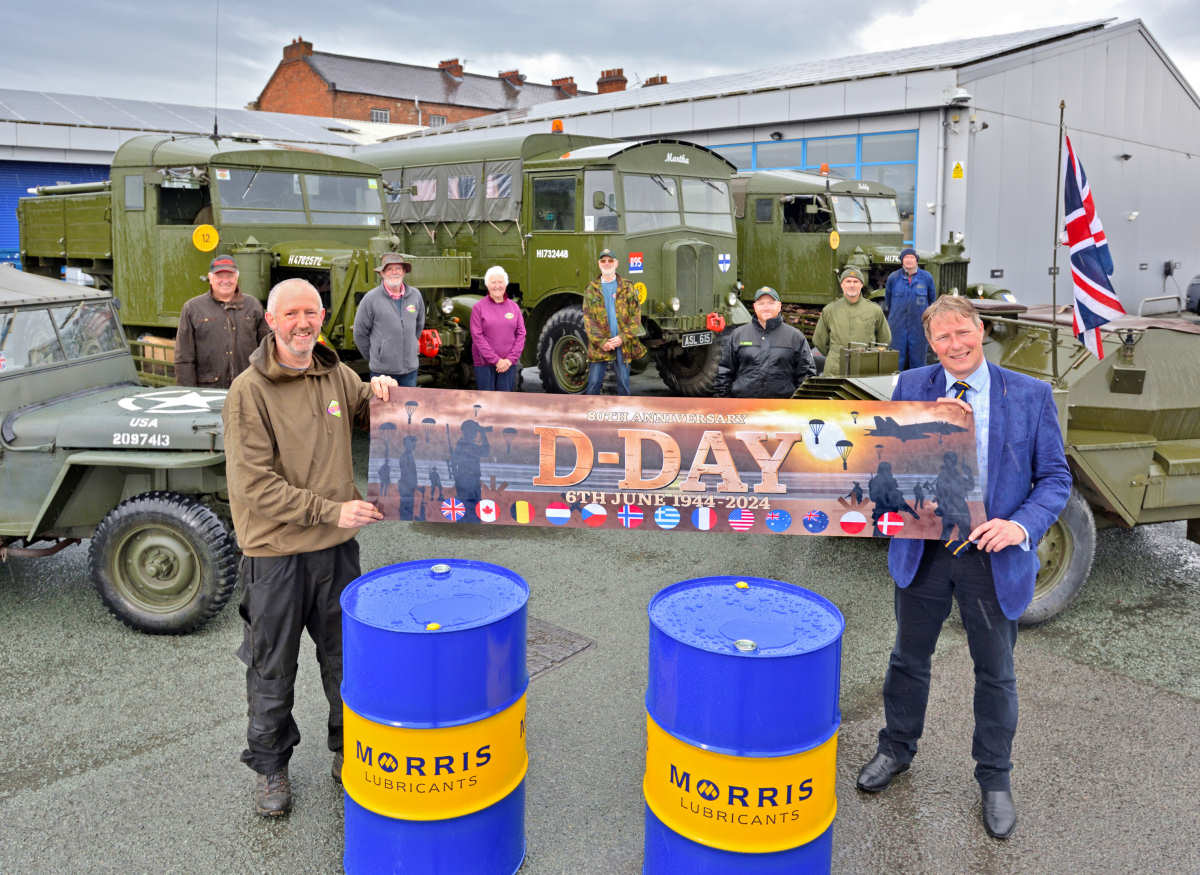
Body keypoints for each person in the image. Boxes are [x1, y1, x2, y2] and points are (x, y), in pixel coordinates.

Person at [855, 295, 1071, 841]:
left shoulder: (1030, 395)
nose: (955, 345)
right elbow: (884, 456)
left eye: (963, 333)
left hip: (991, 558)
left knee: (995, 673)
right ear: (931, 344)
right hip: (924, 552)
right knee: (908, 658)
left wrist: (1019, 526)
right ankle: (896, 749)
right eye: (943, 338)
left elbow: (1055, 479)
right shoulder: (911, 386)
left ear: (982, 331)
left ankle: (995, 779)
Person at [223, 278, 396, 818]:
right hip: (274, 553)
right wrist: (331, 511)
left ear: (322, 317)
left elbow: (367, 406)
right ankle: (271, 764)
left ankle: (350, 750)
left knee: (345, 660)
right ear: (271, 322)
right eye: (291, 314)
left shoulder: (334, 373)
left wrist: (382, 389)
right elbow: (254, 485)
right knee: (272, 665)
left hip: (335, 550)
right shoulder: (248, 392)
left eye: (311, 313)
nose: (303, 323)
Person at [174, 254, 269, 388]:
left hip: (247, 388)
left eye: (230, 276)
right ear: (210, 278)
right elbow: (184, 358)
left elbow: (266, 350)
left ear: (236, 277)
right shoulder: (192, 308)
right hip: (208, 391)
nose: (225, 281)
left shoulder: (253, 306)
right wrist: (188, 392)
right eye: (219, 276)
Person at [713, 286, 815, 398]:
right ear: (755, 307)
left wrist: (799, 405)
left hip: (782, 408)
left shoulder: (795, 337)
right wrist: (724, 401)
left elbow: (806, 374)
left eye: (771, 303)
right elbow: (724, 371)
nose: (766, 307)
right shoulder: (738, 335)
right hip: (744, 406)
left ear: (779, 306)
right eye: (761, 303)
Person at [353, 253, 425, 386]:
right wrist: (377, 356)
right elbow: (359, 333)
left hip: (410, 370)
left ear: (404, 272)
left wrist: (410, 347)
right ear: (382, 273)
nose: (394, 272)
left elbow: (419, 325)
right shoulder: (371, 299)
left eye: (398, 268)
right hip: (382, 373)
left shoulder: (415, 295)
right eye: (389, 269)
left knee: (408, 405)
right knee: (384, 407)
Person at [583, 249, 646, 395]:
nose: (607, 264)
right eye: (603, 261)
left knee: (624, 384)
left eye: (610, 260)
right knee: (593, 384)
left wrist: (621, 338)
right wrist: (602, 342)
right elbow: (588, 320)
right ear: (599, 264)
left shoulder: (627, 287)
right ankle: (590, 416)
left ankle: (623, 416)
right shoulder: (591, 289)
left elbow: (635, 319)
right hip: (600, 345)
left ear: (616, 263)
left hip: (622, 345)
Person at [813, 266, 891, 376]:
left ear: (861, 285)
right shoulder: (830, 310)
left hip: (865, 369)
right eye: (848, 281)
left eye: (856, 281)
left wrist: (870, 356)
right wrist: (835, 354)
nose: (852, 285)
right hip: (835, 370)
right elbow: (819, 340)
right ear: (842, 285)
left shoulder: (874, 310)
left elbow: (885, 339)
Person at [470, 265, 526, 391]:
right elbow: (477, 336)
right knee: (487, 403)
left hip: (508, 364)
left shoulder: (514, 308)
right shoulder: (478, 308)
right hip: (484, 364)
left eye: (500, 282)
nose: (497, 286)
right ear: (487, 285)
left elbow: (521, 334)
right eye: (493, 282)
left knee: (504, 402)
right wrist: (496, 360)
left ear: (506, 284)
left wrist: (509, 360)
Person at [885, 247, 936, 370]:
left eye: (911, 258)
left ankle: (918, 387)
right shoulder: (893, 278)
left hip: (918, 326)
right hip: (897, 326)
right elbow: (888, 300)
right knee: (896, 360)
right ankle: (895, 386)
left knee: (918, 361)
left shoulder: (926, 278)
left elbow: (932, 300)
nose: (909, 261)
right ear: (902, 261)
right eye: (906, 258)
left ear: (916, 260)